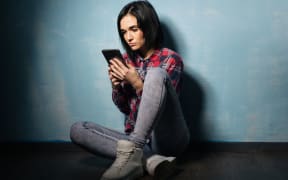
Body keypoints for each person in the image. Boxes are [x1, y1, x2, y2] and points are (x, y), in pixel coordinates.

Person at [70, 1, 190, 179]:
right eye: (124, 32)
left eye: (134, 29)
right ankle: (152, 161)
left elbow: (164, 112)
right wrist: (116, 86)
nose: (128, 37)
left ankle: (136, 153)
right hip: (138, 140)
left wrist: (137, 83)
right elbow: (126, 109)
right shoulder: (125, 60)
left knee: (156, 74)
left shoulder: (171, 59)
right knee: (78, 129)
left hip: (167, 139)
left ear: (149, 27)